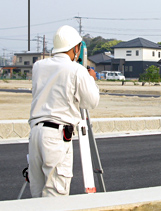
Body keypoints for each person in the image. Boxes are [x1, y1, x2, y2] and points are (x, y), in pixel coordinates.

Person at [28, 25, 100, 198]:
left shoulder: (38, 66)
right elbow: (91, 102)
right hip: (56, 136)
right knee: (55, 195)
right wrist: (91, 80)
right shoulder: (77, 70)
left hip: (35, 133)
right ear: (76, 48)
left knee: (37, 193)